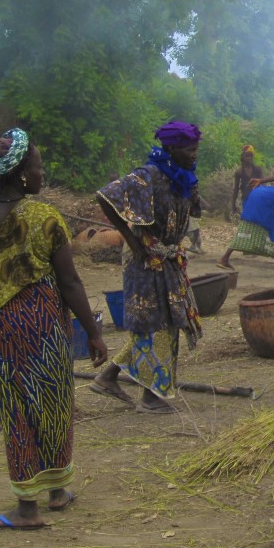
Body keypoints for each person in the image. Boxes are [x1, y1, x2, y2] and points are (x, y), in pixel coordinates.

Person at [0, 128, 109, 530]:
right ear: (22, 173)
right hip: (46, 325)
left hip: (5, 329)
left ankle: (29, 505)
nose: (43, 174)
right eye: (39, 167)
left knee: (17, 410)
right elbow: (71, 283)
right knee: (55, 401)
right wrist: (92, 332)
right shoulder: (45, 217)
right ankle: (56, 491)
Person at [90, 122, 203, 414]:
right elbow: (105, 196)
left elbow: (191, 212)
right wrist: (130, 237)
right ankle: (151, 397)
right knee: (154, 323)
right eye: (190, 150)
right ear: (173, 148)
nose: (194, 155)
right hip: (144, 258)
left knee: (168, 320)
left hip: (167, 256)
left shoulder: (184, 177)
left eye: (195, 150)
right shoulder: (148, 175)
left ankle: (108, 377)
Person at [231, 144, 263, 217]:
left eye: (251, 156)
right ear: (242, 157)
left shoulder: (258, 169)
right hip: (246, 199)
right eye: (247, 156)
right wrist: (233, 205)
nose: (249, 158)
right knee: (248, 219)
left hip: (258, 199)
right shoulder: (239, 172)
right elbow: (236, 189)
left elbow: (264, 184)